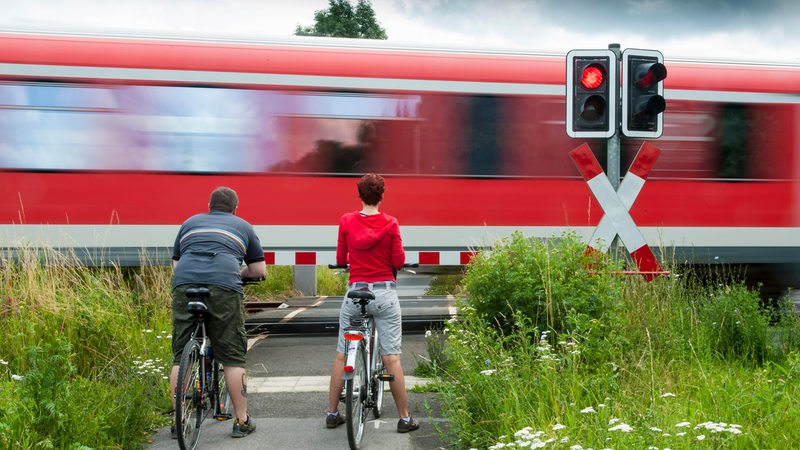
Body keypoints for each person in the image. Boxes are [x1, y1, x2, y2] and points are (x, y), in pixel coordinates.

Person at [169, 186, 266, 439]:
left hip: (185, 284)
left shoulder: (189, 223)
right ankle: (242, 421)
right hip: (223, 286)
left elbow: (176, 263)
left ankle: (178, 421)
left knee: (181, 357)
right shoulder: (243, 226)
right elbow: (258, 270)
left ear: (209, 206)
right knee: (233, 356)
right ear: (236, 208)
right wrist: (239, 274)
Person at [326, 173, 419, 433]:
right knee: (392, 358)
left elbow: (341, 257)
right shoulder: (391, 223)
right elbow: (398, 261)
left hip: (356, 294)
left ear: (360, 194)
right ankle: (404, 418)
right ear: (381, 195)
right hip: (385, 295)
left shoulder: (346, 221)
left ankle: (332, 413)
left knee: (342, 353)